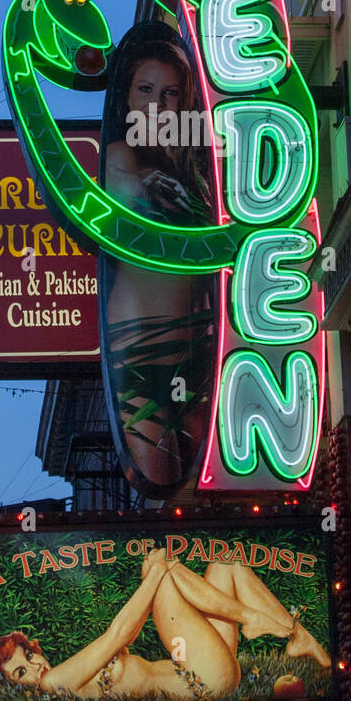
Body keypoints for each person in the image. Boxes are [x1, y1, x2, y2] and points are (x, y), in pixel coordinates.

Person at [0, 549, 331, 701]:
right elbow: (118, 635)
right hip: (204, 683)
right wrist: (155, 573)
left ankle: (299, 638)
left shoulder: (64, 675)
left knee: (227, 563)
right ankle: (251, 619)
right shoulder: (53, 684)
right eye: (21, 672)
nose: (36, 667)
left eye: (29, 656)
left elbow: (121, 638)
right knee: (160, 570)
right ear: (11, 688)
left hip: (205, 671)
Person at [102, 33, 214, 491]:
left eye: (169, 93)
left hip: (198, 345)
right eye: (144, 90)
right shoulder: (116, 160)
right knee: (164, 486)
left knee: (199, 488)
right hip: (140, 347)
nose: (157, 104)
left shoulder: (196, 175)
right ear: (126, 98)